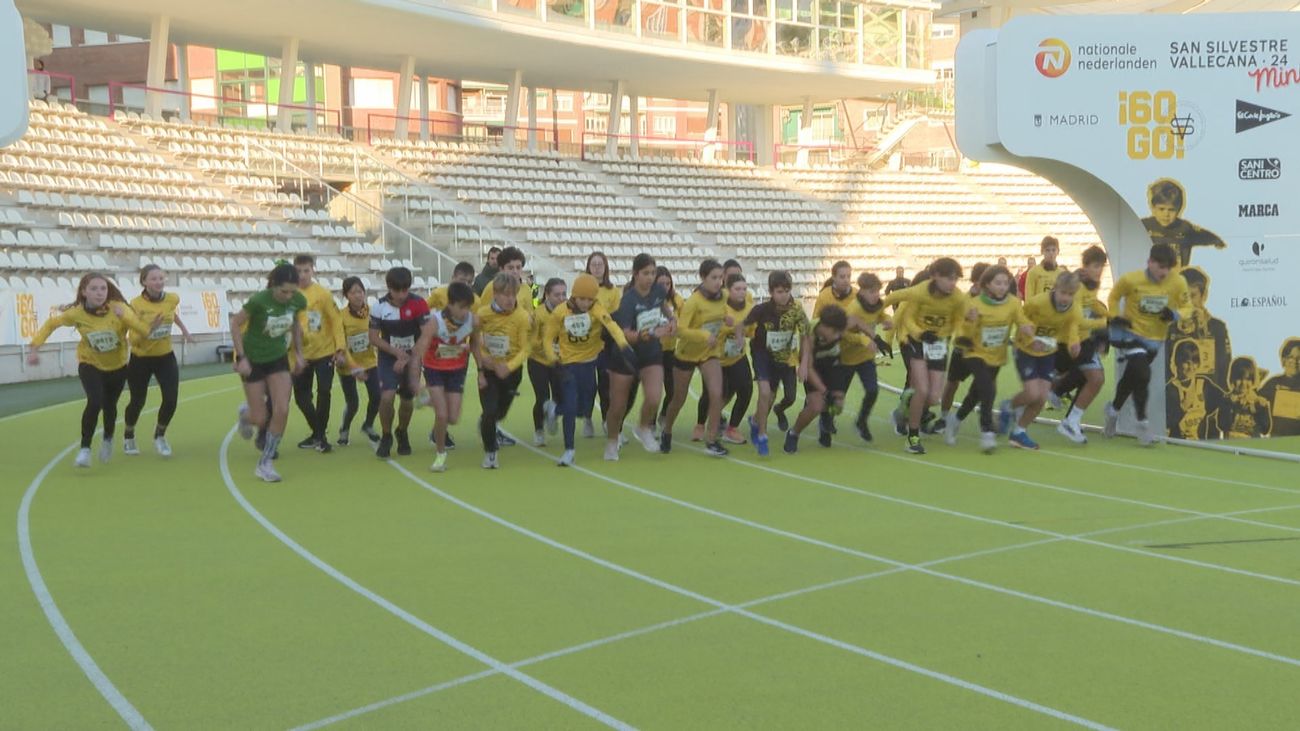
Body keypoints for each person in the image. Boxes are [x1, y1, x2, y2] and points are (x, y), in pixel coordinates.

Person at [27, 273, 156, 469]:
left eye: (103, 289)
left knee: (110, 406)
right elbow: (51, 324)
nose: (99, 293)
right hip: (90, 363)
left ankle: (108, 438)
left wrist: (131, 321)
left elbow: (143, 331)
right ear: (84, 292)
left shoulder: (119, 309)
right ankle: (85, 449)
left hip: (118, 366)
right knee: (95, 401)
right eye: (94, 289)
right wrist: (34, 348)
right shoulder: (76, 313)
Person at [539, 273, 633, 467]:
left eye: (590, 299)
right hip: (568, 365)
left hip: (590, 364)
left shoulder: (597, 309)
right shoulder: (560, 312)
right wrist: (553, 359)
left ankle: (554, 408)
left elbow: (613, 326)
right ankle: (569, 450)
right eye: (582, 299)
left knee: (584, 409)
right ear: (574, 296)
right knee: (572, 408)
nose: (585, 303)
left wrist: (624, 346)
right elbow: (548, 339)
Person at [883, 258, 974, 454]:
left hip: (938, 345)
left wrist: (965, 331)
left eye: (956, 280)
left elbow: (965, 315)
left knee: (933, 398)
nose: (952, 283)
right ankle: (913, 437)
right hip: (915, 341)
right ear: (934, 276)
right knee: (922, 389)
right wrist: (873, 311)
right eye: (949, 279)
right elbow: (895, 302)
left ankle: (907, 406)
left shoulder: (957, 297)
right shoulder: (919, 291)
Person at [1104, 243, 1192, 445]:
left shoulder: (1177, 282)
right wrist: (1115, 316)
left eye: (1168, 268)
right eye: (1160, 266)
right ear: (1150, 262)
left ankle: (1113, 410)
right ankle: (1142, 424)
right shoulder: (1131, 279)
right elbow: (1114, 296)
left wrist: (1175, 314)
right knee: (1143, 375)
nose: (1164, 272)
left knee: (1132, 378)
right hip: (1132, 334)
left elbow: (1188, 306)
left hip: (1155, 340)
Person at [231, 264, 308, 483]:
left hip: (277, 358)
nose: (288, 296)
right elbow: (235, 323)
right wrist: (241, 357)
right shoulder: (259, 301)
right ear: (274, 286)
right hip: (253, 360)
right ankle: (246, 416)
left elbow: (294, 325)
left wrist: (299, 354)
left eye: (293, 291)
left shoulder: (298, 301)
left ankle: (265, 463)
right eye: (284, 291)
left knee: (282, 408)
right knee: (260, 418)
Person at [943, 265, 1032, 453]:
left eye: (1005, 283)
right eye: (997, 283)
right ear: (987, 285)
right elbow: (963, 332)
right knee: (988, 389)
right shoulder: (974, 304)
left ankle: (956, 421)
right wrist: (969, 321)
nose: (1002, 287)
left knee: (976, 394)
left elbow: (1021, 319)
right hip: (975, 353)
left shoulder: (1014, 303)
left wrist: (1026, 328)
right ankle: (987, 431)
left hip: (996, 356)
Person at [999, 272, 1083, 450]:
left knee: (1041, 397)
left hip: (1047, 353)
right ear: (1055, 289)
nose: (1065, 298)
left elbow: (1072, 328)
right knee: (1032, 393)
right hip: (1025, 350)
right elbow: (1020, 318)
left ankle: (1019, 432)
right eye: (1063, 293)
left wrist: (1074, 344)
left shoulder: (1074, 309)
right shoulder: (1038, 303)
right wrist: (1030, 340)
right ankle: (1008, 406)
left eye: (1070, 294)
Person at [659, 259, 732, 457]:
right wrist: (702, 335)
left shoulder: (725, 295)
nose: (718, 282)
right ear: (703, 278)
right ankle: (667, 430)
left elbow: (724, 313)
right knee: (678, 399)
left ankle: (711, 440)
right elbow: (680, 331)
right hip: (687, 354)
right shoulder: (693, 301)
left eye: (721, 277)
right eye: (714, 278)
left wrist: (727, 320)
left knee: (716, 393)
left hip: (709, 353)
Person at [608, 254, 676, 459]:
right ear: (635, 274)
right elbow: (626, 335)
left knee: (655, 397)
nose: (650, 277)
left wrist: (672, 319)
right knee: (618, 406)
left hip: (651, 353)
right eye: (646, 273)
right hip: (625, 355)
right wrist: (650, 334)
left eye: (653, 273)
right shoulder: (627, 301)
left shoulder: (658, 290)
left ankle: (643, 428)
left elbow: (662, 306)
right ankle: (612, 440)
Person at [122, 264, 193, 457]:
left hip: (165, 357)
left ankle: (160, 436)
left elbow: (171, 314)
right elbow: (133, 339)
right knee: (137, 401)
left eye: (161, 278)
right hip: (141, 358)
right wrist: (150, 328)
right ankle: (128, 435)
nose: (158, 282)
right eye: (153, 279)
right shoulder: (136, 304)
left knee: (171, 399)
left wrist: (185, 331)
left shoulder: (172, 299)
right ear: (144, 281)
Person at [744, 270, 810, 456]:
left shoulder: (797, 310)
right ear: (771, 292)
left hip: (786, 358)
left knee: (787, 396)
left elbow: (806, 335)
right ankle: (762, 435)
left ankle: (756, 420)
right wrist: (740, 336)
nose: (784, 295)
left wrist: (803, 363)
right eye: (779, 292)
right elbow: (743, 325)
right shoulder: (762, 309)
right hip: (763, 355)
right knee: (765, 393)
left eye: (787, 291)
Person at [416, 282, 478, 472]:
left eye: (468, 307)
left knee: (452, 417)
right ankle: (440, 454)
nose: (465, 311)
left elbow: (476, 344)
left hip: (456, 369)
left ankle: (428, 401)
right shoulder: (434, 321)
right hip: (434, 368)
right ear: (450, 304)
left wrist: (480, 367)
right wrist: (417, 378)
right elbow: (421, 348)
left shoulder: (473, 321)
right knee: (442, 414)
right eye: (461, 307)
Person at [369, 266, 431, 459]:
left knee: (406, 399)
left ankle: (402, 431)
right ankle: (386, 436)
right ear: (389, 288)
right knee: (386, 397)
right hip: (389, 356)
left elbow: (426, 334)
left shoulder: (419, 304)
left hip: (413, 355)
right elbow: (373, 337)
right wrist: (397, 353)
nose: (402, 294)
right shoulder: (379, 307)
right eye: (398, 290)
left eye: (405, 290)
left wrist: (410, 356)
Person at [1051, 245, 1110, 444]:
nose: (1099, 270)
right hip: (1071, 341)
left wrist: (1109, 315)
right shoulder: (1078, 286)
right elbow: (1073, 318)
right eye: (1095, 266)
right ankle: (1058, 397)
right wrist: (1103, 323)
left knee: (1094, 379)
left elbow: (1090, 304)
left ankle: (1069, 416)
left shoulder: (1091, 284)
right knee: (1095, 378)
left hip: (1082, 340)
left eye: (1101, 266)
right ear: (1085, 266)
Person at [475, 246, 532, 447]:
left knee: (501, 409)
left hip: (513, 358)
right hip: (491, 358)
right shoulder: (491, 288)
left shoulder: (525, 289)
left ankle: (490, 424)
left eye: (519, 267)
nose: (515, 271)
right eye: (510, 267)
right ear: (500, 268)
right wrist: (483, 356)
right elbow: (479, 320)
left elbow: (528, 316)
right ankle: (490, 436)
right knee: (490, 405)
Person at [782, 305, 857, 453]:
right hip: (813, 368)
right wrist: (824, 391)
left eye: (839, 332)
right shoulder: (809, 334)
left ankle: (825, 420)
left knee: (838, 405)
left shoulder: (841, 325)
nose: (837, 336)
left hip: (833, 365)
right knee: (816, 405)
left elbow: (858, 321)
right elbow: (808, 368)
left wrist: (874, 339)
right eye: (834, 332)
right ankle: (794, 433)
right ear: (823, 326)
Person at [290, 254, 345, 453]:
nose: (302, 275)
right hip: (300, 354)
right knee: (302, 397)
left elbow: (336, 321)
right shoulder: (290, 295)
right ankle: (318, 432)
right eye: (298, 271)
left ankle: (320, 436)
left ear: (313, 270)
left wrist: (340, 348)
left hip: (324, 352)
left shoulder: (323, 294)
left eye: (306, 270)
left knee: (324, 392)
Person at [695, 273, 753, 445]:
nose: (741, 292)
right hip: (716, 358)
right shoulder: (720, 307)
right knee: (712, 394)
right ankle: (700, 424)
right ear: (727, 290)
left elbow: (752, 330)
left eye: (744, 289)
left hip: (737, 356)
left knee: (746, 390)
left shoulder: (750, 308)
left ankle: (732, 428)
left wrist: (744, 334)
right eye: (737, 289)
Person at [931, 262, 989, 436]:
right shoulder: (963, 299)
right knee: (952, 384)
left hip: (983, 351)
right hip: (962, 348)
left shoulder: (992, 300)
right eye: (985, 280)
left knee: (984, 385)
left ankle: (977, 419)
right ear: (976, 281)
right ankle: (944, 417)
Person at [843, 272, 891, 442]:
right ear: (862, 291)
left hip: (865, 358)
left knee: (872, 390)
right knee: (837, 398)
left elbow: (880, 315)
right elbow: (843, 334)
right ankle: (827, 420)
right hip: (847, 358)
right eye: (872, 291)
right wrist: (863, 339)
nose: (876, 295)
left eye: (878, 291)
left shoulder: (877, 305)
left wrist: (887, 320)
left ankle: (862, 421)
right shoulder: (854, 308)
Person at [1166, 267, 1231, 391]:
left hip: (1209, 399)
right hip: (1178, 398)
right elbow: (1165, 372)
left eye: (1193, 296)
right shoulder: (1171, 330)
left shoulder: (1217, 328)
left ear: (1204, 295)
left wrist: (1203, 330)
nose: (1188, 303)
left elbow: (1224, 370)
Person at [1141, 178, 1225, 269]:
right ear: (1153, 208)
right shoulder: (1144, 226)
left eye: (1171, 210)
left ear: (1179, 210)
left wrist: (1217, 241)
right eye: (1161, 209)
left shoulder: (1185, 229)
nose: (1166, 214)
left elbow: (1203, 235)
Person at [336, 276, 380, 447]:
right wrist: (353, 367)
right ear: (346, 295)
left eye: (360, 291)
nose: (358, 295)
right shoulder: (341, 316)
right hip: (348, 364)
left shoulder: (373, 312)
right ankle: (344, 429)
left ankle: (368, 425)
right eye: (353, 292)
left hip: (369, 362)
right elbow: (340, 343)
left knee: (377, 396)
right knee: (353, 402)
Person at [583, 251, 622, 438]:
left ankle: (607, 420)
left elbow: (615, 317)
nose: (597, 267)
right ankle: (587, 417)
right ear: (588, 267)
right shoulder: (582, 288)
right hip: (587, 344)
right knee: (588, 385)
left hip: (606, 345)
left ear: (605, 267)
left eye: (600, 264)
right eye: (594, 264)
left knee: (606, 385)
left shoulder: (613, 291)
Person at [528, 278, 568, 446]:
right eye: (557, 294)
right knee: (542, 397)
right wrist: (548, 344)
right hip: (539, 361)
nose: (561, 298)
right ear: (547, 295)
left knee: (560, 397)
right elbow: (530, 341)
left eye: (564, 294)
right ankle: (538, 430)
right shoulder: (538, 314)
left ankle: (553, 415)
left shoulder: (568, 312)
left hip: (559, 362)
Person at [1165, 339, 1224, 440]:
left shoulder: (1204, 384)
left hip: (1200, 446)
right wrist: (1182, 408)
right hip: (1177, 447)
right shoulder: (1169, 389)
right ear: (1177, 362)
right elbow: (1166, 423)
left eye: (1195, 362)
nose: (1191, 367)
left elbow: (1224, 400)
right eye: (1187, 363)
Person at [656, 266, 686, 427]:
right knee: (654, 390)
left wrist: (676, 326)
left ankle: (663, 415)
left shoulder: (677, 300)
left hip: (670, 351)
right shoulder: (649, 300)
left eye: (668, 283)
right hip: (653, 351)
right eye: (661, 283)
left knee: (672, 389)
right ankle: (649, 423)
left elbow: (684, 320)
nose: (665, 287)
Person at [1219, 357, 1272, 438]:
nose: (1243, 383)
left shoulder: (1259, 401)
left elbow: (1265, 430)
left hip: (1252, 447)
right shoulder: (1226, 400)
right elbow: (1222, 426)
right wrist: (1230, 405)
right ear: (1232, 379)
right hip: (1232, 446)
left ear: (1253, 380)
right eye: (1239, 379)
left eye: (1248, 379)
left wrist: (1261, 409)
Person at [1260, 339, 1300, 437]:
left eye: (1299, 358)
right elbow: (1255, 402)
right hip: (1277, 439)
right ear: (1283, 360)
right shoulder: (1273, 383)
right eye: (1291, 357)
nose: (1295, 361)